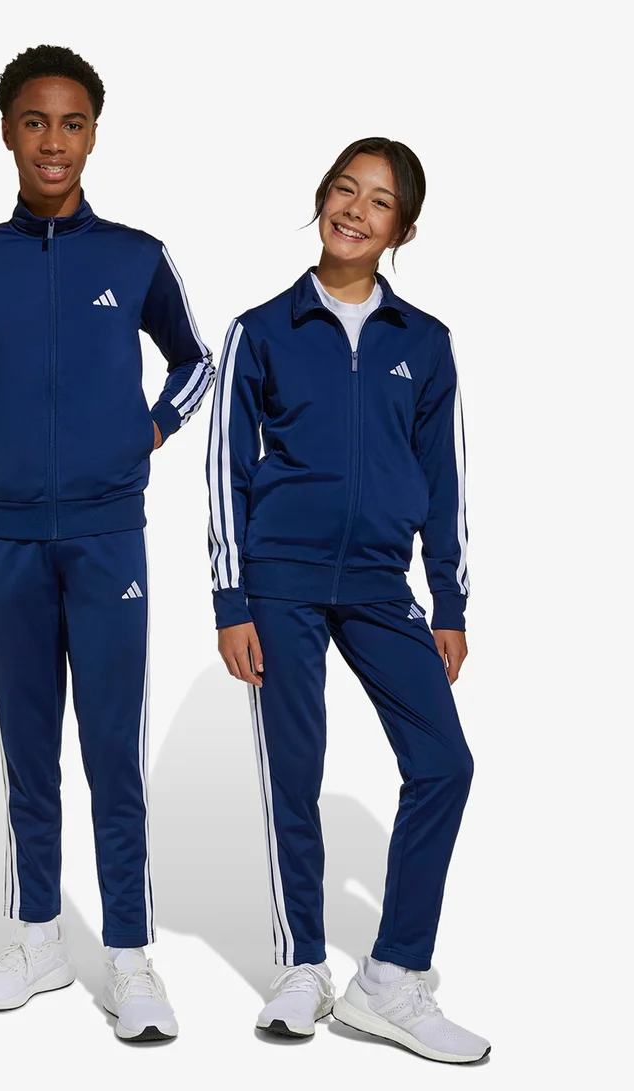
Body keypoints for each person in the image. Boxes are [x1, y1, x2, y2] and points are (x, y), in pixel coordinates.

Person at [0, 44, 214, 1041]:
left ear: (93, 135)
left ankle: (128, 954)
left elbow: (195, 360)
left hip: (106, 534)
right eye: (35, 121)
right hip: (6, 533)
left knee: (111, 750)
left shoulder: (134, 255)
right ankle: (38, 938)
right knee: (28, 742)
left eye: (72, 123)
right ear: (7, 131)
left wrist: (146, 434)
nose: (53, 141)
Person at [206, 138, 489, 1062]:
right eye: (343, 189)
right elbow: (224, 471)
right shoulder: (261, 329)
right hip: (279, 579)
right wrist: (230, 599)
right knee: (295, 770)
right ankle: (301, 965)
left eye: (379, 201)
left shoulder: (425, 343)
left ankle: (391, 978)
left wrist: (448, 602)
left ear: (403, 229)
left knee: (443, 763)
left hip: (378, 583)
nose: (355, 210)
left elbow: (445, 480)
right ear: (321, 198)